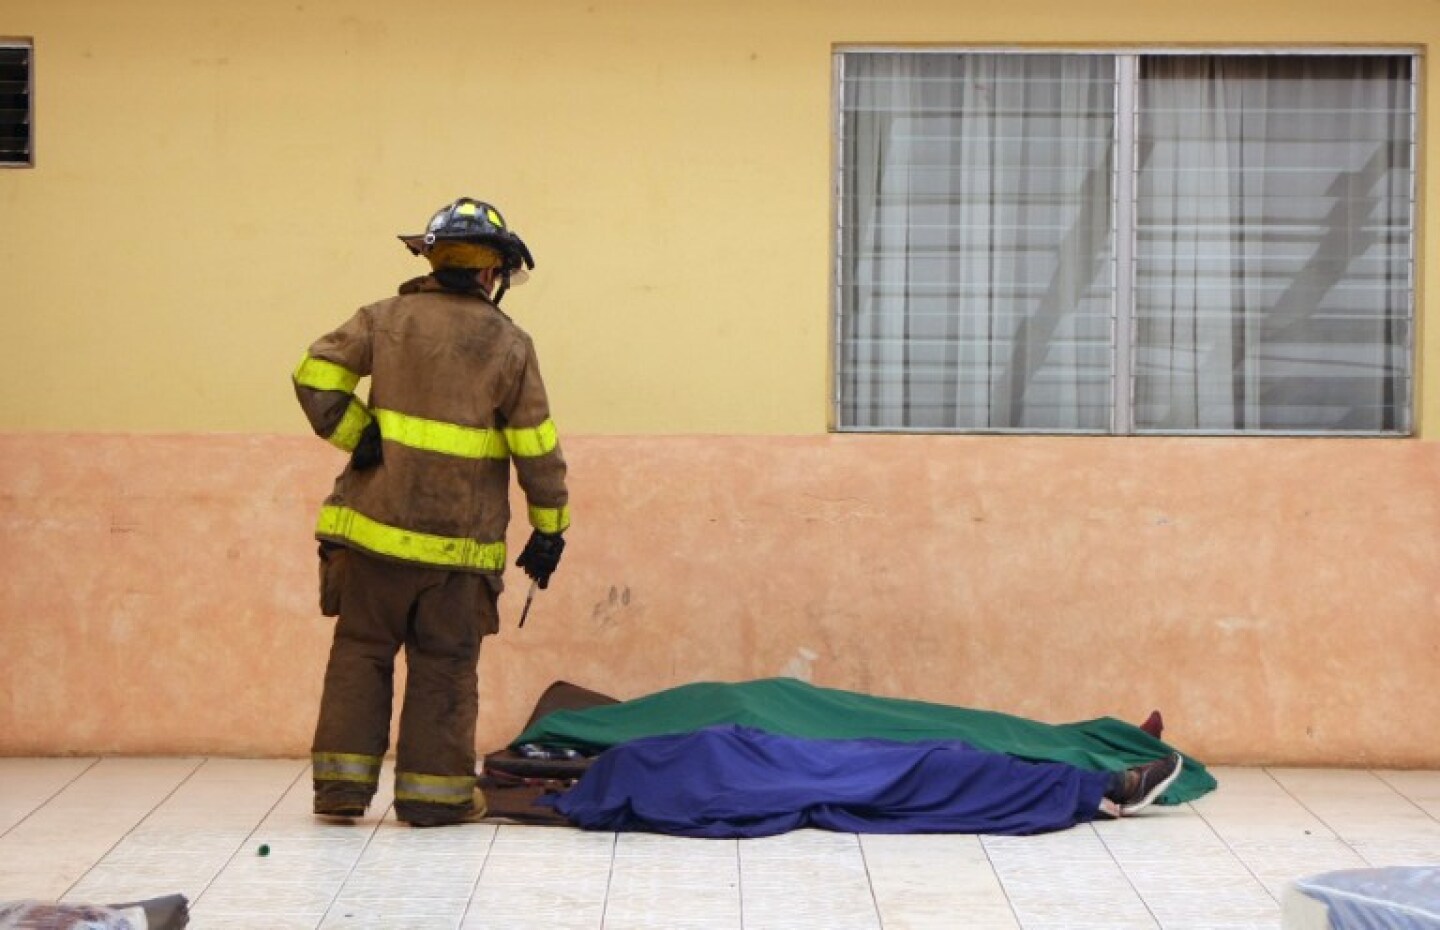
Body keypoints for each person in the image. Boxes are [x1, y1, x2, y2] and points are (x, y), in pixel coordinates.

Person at [292, 196, 570, 827]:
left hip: (369, 540)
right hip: (456, 555)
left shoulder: (383, 318)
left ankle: (339, 791)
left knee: (359, 655)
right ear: (490, 272)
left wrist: (356, 433)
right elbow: (536, 448)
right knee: (444, 668)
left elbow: (314, 375)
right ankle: (432, 799)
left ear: (434, 257)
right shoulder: (510, 345)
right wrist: (550, 528)